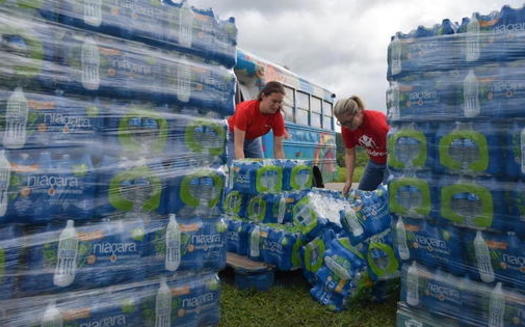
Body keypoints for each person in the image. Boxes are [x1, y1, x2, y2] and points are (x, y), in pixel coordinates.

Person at [334, 95, 390, 194]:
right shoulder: (346, 127)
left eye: (349, 122)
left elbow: (393, 153)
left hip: (390, 162)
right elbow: (350, 153)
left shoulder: (378, 125)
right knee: (361, 196)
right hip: (374, 162)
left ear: (358, 113)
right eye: (342, 123)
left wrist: (388, 180)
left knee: (388, 195)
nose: (346, 126)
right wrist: (348, 181)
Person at [227, 81, 286, 161]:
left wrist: (282, 169)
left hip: (252, 139)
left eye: (279, 102)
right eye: (274, 101)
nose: (276, 106)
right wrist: (239, 168)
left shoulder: (277, 117)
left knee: (259, 166)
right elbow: (239, 147)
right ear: (263, 96)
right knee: (234, 164)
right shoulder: (245, 110)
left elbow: (278, 150)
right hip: (233, 136)